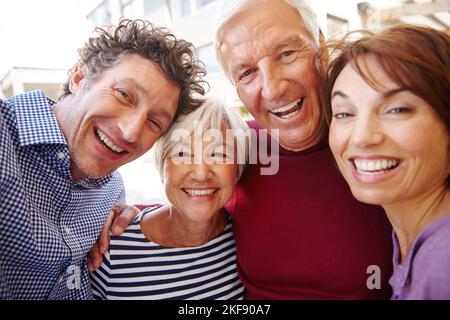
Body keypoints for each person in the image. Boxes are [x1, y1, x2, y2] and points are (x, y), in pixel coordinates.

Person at [91, 0, 393, 299]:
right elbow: (195, 187)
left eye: (287, 54)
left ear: (319, 42)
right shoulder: (242, 146)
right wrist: (130, 219)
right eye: (246, 72)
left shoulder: (378, 140)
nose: (273, 89)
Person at [0, 19, 206, 299]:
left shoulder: (111, 190)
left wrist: (134, 223)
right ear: (78, 77)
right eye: (124, 95)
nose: (131, 132)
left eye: (154, 122)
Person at [324, 24, 450, 299]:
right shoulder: (412, 241)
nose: (361, 137)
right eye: (344, 113)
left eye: (396, 109)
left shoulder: (443, 266)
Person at [90, 99, 248, 299]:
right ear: (162, 167)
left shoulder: (244, 238)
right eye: (182, 154)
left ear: (237, 171)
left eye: (218, 154)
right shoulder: (109, 247)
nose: (200, 174)